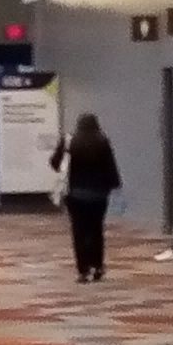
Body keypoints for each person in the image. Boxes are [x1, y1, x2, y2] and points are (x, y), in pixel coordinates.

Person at [60, 110, 122, 280]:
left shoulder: (70, 141)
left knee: (79, 231)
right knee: (96, 230)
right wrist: (115, 185)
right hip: (98, 195)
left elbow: (55, 163)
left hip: (75, 194)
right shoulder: (102, 141)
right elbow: (111, 167)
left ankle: (83, 270)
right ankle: (98, 265)